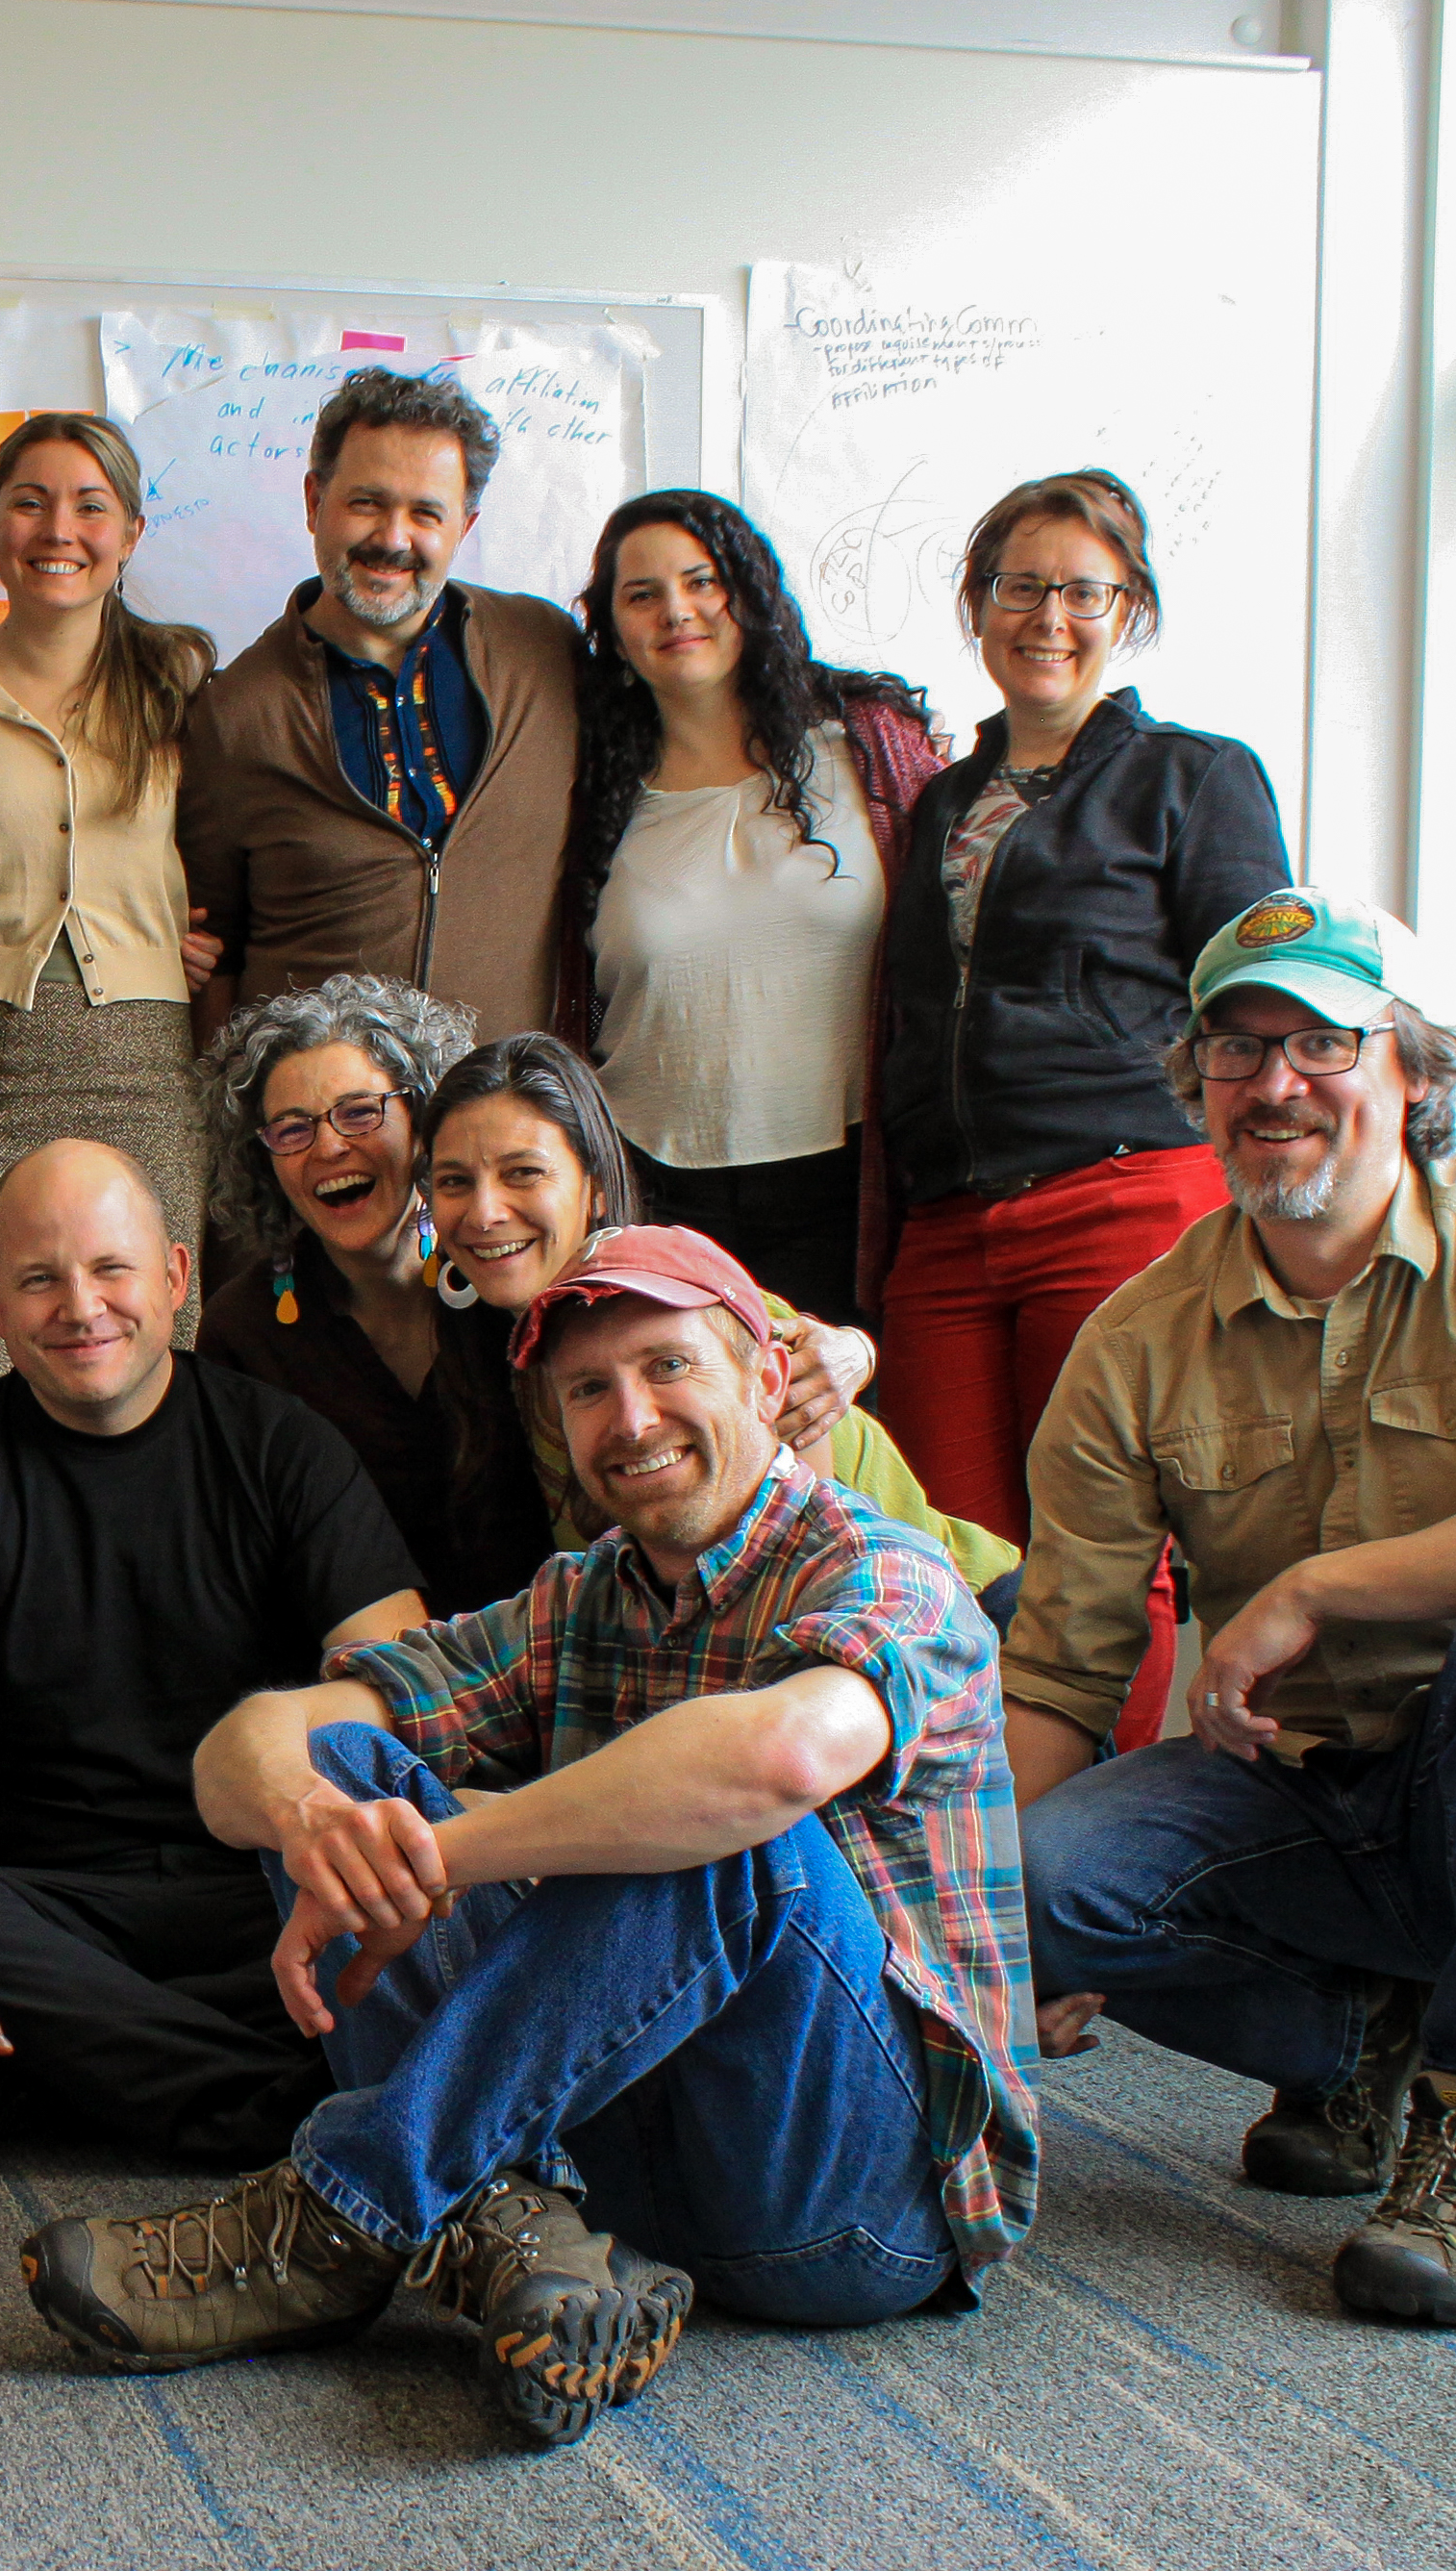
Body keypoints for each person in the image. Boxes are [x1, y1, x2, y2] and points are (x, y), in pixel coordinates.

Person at [21, 1225, 1034, 2454]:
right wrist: (317, 1825)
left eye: (669, 1367)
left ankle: (351, 2214)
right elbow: (248, 1746)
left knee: (729, 1825)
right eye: (589, 1390)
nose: (631, 1416)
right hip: (634, 2164)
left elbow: (773, 1762)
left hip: (854, 2208)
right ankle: (526, 2245)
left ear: (766, 1379)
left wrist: (440, 1856)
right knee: (341, 1773)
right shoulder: (581, 1596)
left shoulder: (884, 1570)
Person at [1010, 890, 1456, 2331]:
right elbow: (1063, 1679)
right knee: (1032, 1876)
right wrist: (956, 1924)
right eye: (1235, 1045)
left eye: (1323, 1039)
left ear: (1414, 1069)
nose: (1275, 1082)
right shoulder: (1133, 1342)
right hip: (1309, 1799)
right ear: (1195, 1084)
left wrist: (1316, 1587)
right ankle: (1358, 2035)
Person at [0, 1141, 426, 2162]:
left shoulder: (286, 1450)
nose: (79, 1306)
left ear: (173, 1277)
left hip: (255, 1890)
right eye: (38, 1280)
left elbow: (407, 1687)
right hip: (48, 1902)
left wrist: (296, 1802)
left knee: (396, 1906)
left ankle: (64, 2073)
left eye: (110, 1269)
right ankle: (298, 2114)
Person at [877, 470, 1290, 1749]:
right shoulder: (942, 800)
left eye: (1082, 589)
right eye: (1020, 585)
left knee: (1102, 1550)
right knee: (940, 1550)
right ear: (977, 604)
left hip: (1121, 1194)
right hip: (946, 1219)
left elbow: (1251, 990)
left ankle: (1076, 1866)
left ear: (1130, 611)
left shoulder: (1194, 775)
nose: (1047, 614)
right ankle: (972, 1853)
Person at [418, 1032, 1017, 1610]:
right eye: (455, 1182)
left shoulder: (704, 1310)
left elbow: (804, 1583)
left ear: (595, 1187)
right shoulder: (493, 1361)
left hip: (958, 1626)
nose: (485, 1211)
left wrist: (858, 1348)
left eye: (524, 1172)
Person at [0, 413, 217, 1421]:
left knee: (146, 1361)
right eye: (28, 503)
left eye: (88, 505)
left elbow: (233, 836)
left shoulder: (181, 681)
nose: (56, 529)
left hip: (142, 1067)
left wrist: (183, 921)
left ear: (132, 532)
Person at [562, 490, 948, 1328]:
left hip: (854, 1182)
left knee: (836, 1444)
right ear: (614, 633)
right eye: (642, 595)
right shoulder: (587, 790)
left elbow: (957, 928)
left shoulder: (869, 745)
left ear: (752, 593)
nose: (678, 610)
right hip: (654, 1182)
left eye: (703, 581)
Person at [179, 365, 584, 1046]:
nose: (394, 538)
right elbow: (207, 949)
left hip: (502, 1122)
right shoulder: (235, 713)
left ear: (466, 525)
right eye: (366, 502)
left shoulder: (546, 653)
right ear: (314, 501)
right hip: (320, 1133)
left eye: (426, 512)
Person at [188, 979, 550, 1623]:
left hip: (546, 1647)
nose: (329, 1146)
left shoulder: (505, 1267)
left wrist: (793, 1341)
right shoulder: (242, 1328)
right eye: (291, 1129)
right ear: (262, 1157)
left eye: (361, 1113)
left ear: (424, 1119)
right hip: (356, 1671)